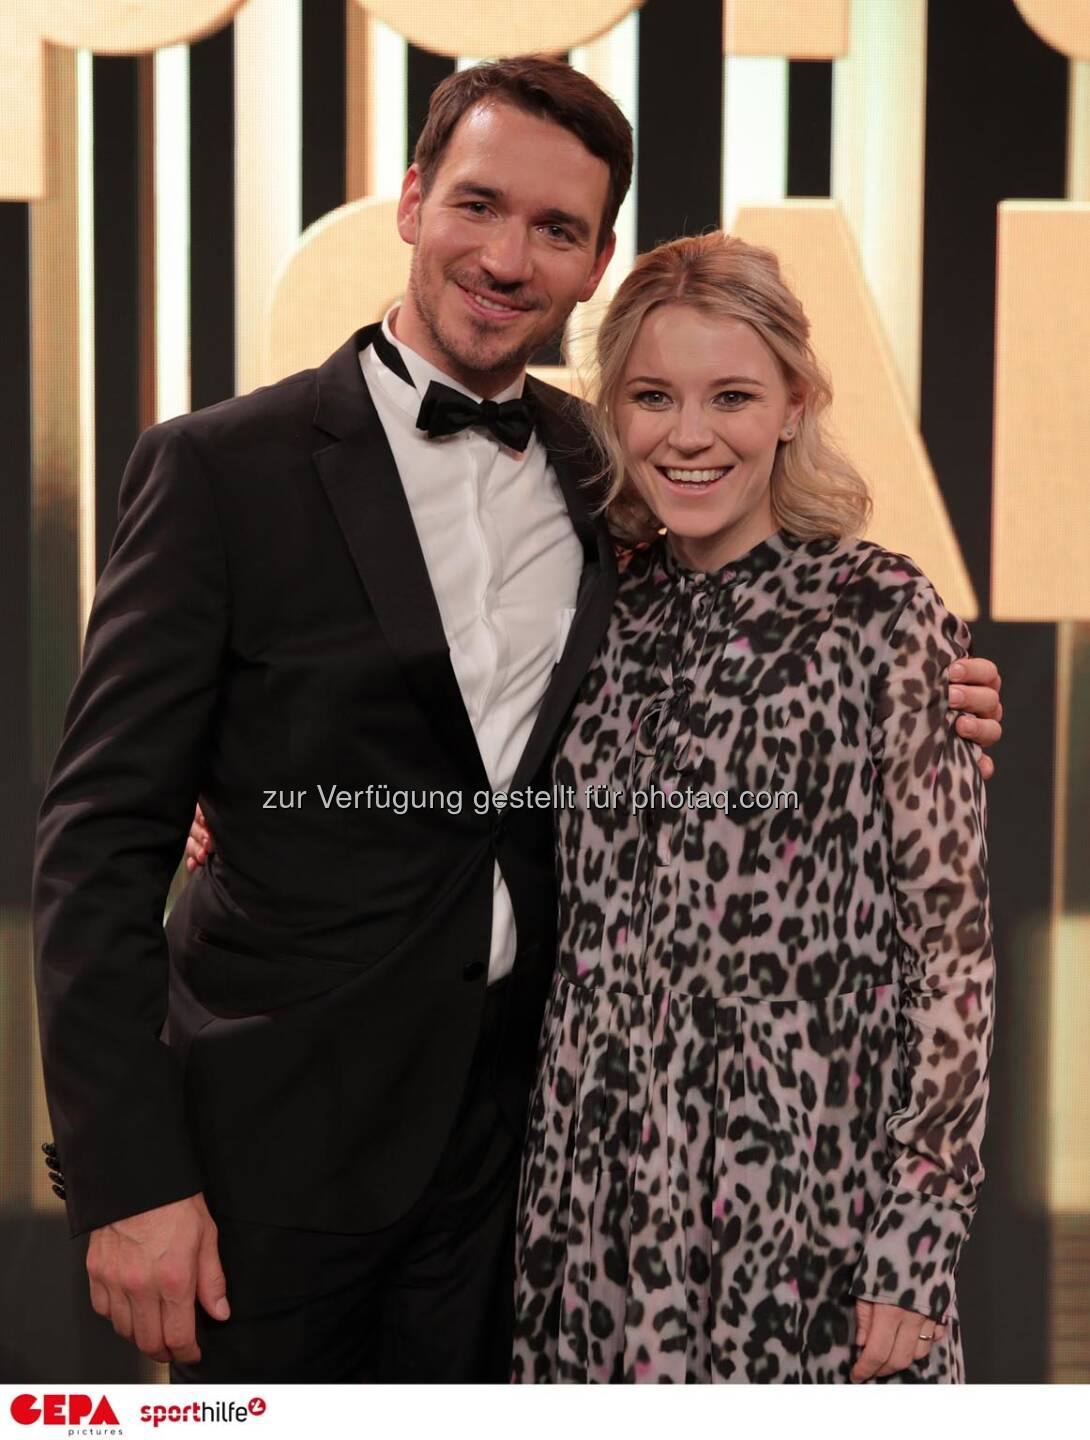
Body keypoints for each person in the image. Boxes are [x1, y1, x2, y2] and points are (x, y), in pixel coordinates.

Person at [34, 58, 1001, 1385]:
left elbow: (758, 681)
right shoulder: (216, 471)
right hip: (272, 1160)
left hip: (530, 1174)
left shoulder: (602, 476)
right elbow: (98, 842)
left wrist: (930, 696)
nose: (505, 256)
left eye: (555, 229)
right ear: (412, 200)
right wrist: (125, 1173)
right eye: (478, 205)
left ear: (596, 261)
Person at [508, 232, 995, 1384]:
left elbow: (950, 957)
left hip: (806, 1201)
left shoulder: (878, 611)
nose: (688, 434)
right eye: (652, 397)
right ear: (613, 412)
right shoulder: (592, 613)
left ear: (794, 403)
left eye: (730, 395)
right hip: (591, 1196)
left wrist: (915, 1241)